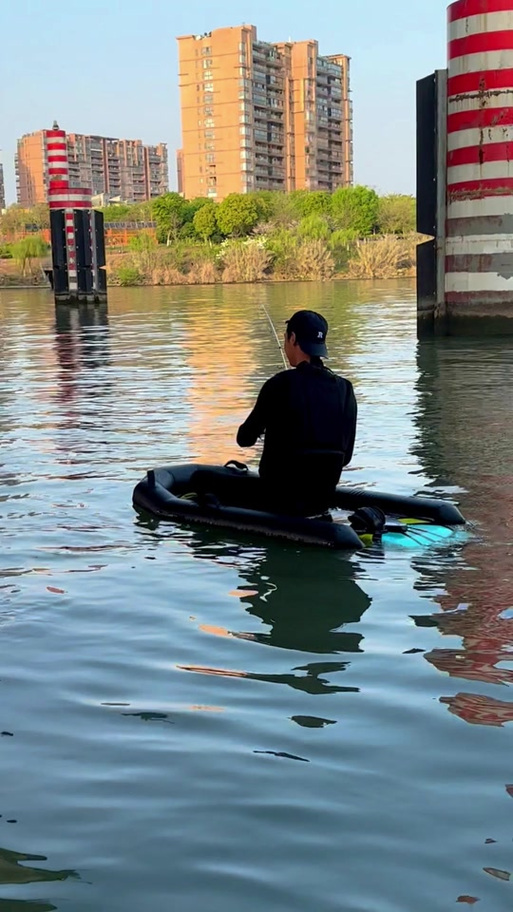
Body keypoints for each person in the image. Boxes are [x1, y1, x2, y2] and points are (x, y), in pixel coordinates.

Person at [236, 309, 357, 516]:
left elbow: (244, 439)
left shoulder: (278, 385)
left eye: (285, 338)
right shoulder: (345, 389)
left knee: (203, 481)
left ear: (293, 339)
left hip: (277, 500)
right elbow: (345, 457)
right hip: (321, 500)